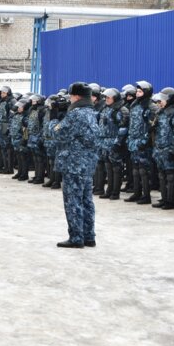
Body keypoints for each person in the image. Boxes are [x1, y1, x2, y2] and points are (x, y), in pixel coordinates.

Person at [54, 83, 100, 248]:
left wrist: (55, 118)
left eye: (71, 96)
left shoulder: (76, 114)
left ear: (77, 97)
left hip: (74, 163)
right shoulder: (91, 113)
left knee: (73, 200)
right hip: (87, 163)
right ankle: (89, 235)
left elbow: (57, 134)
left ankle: (76, 237)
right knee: (87, 200)